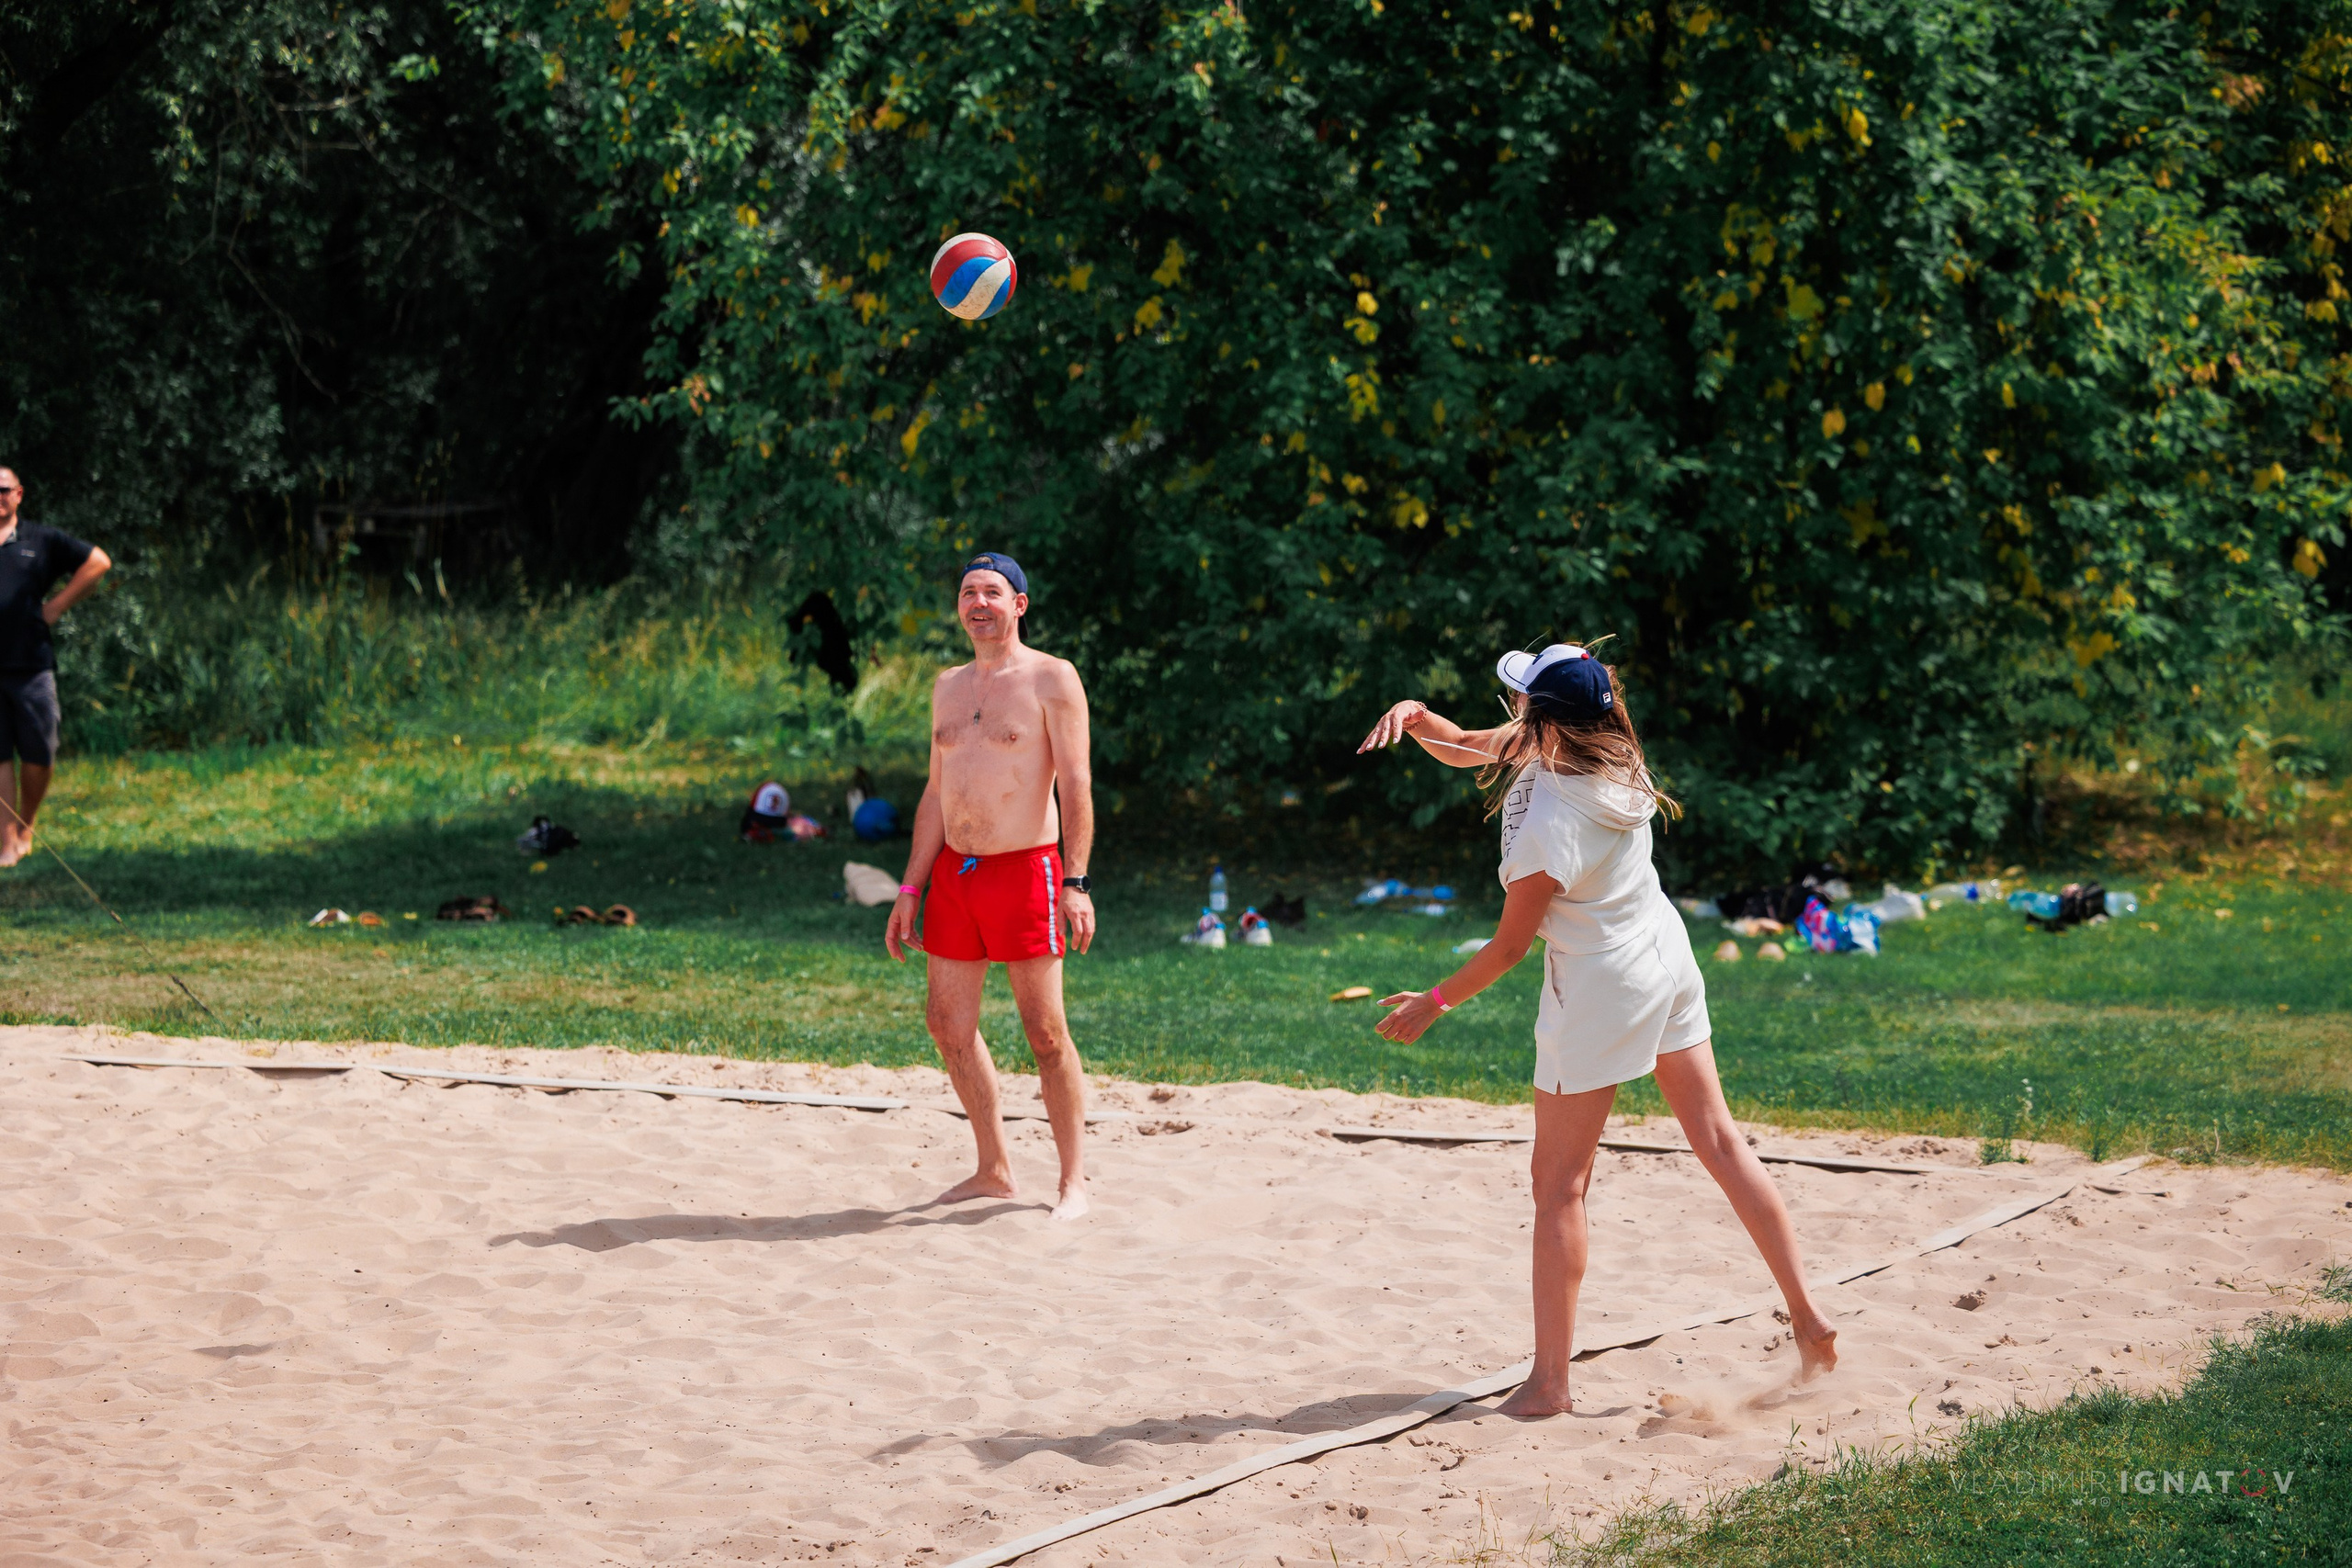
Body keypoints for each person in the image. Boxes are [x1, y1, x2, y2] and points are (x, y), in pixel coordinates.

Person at [1357, 642, 1838, 1416]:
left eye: (1522, 699)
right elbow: (1473, 744)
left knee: (1559, 1187)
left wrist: (1435, 1000)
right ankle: (1810, 1320)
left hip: (1601, 982)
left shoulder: (1550, 820)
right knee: (1720, 1141)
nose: (1511, 711)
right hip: (1665, 955)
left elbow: (1510, 946)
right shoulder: (1613, 748)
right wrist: (1417, 718)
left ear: (1545, 718)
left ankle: (1550, 1384)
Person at [885, 551, 1097, 1221]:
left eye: (993, 592)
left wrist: (1076, 880)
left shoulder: (1051, 678)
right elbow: (934, 792)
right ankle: (994, 1166)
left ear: (1019, 605)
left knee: (1045, 1031)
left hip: (1027, 869)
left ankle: (1072, 1181)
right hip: (955, 872)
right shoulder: (947, 685)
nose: (978, 603)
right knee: (948, 1024)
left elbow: (1078, 784)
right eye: (968, 592)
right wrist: (910, 889)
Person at [0, 468, 110, 867]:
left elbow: (98, 562)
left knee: (40, 751)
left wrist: (56, 606)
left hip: (31, 665)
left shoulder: (41, 540)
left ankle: (26, 825)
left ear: (19, 494)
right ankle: (7, 842)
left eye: (3, 490)